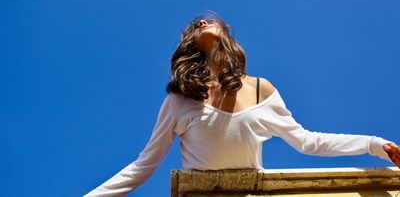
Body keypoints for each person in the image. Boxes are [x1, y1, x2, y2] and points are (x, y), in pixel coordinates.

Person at [84, 11, 400, 197]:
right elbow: (144, 165)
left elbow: (307, 141)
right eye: (195, 25)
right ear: (189, 44)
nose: (202, 21)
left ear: (228, 35)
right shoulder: (180, 98)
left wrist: (375, 145)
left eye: (208, 19)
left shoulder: (262, 90)